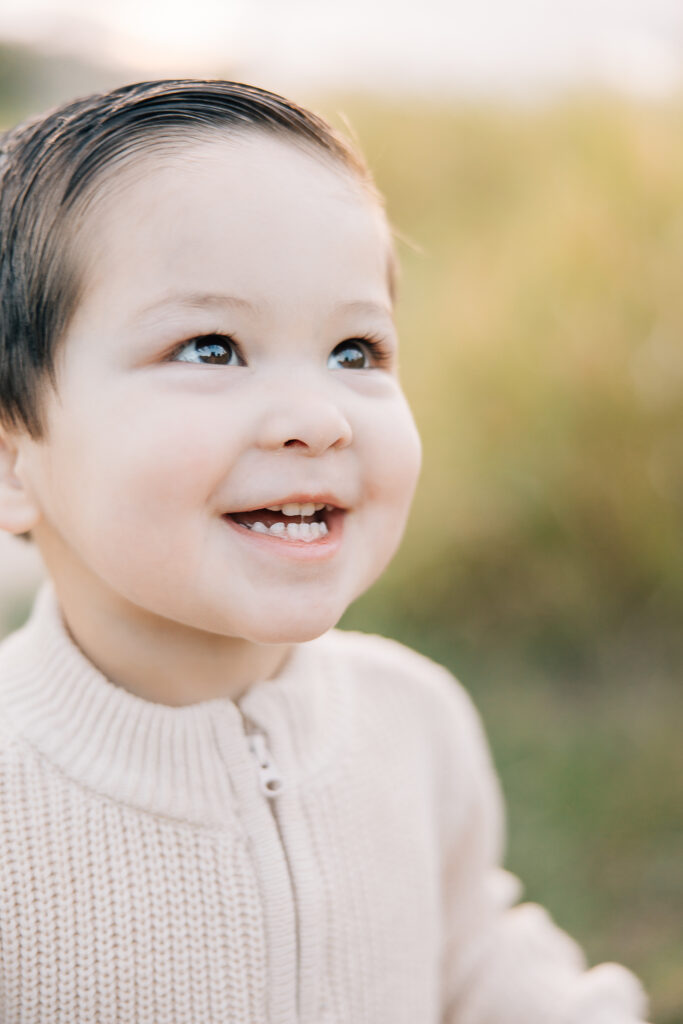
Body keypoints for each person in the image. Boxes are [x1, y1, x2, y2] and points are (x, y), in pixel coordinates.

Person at [0, 79, 650, 1023]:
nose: (318, 418)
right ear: (15, 462)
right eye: (212, 347)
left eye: (355, 351)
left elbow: (468, 946)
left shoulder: (412, 721)